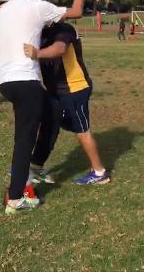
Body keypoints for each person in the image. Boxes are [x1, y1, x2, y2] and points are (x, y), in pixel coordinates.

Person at [0, 0, 88, 215]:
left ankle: (34, 166)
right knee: (24, 137)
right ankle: (16, 197)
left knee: (53, 112)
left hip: (5, 81)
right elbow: (76, 11)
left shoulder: (2, 9)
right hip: (25, 79)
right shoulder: (37, 6)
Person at [23, 22, 110, 185]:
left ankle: (99, 172)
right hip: (55, 91)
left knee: (82, 131)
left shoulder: (64, 29)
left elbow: (60, 48)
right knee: (49, 126)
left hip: (74, 88)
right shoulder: (39, 32)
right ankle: (36, 166)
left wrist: (37, 53)